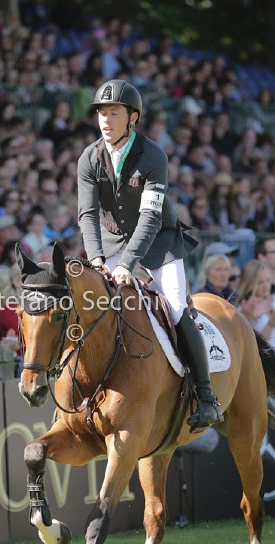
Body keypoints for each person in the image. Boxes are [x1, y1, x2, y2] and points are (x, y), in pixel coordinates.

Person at [77, 79, 223, 432]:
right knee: (95, 307)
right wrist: (96, 258)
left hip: (158, 242)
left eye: (114, 113)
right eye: (102, 113)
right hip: (110, 244)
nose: (106, 120)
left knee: (174, 305)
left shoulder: (153, 155)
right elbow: (87, 214)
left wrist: (128, 265)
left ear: (133, 117)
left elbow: (150, 217)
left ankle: (205, 396)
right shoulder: (89, 157)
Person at [237, 259, 275, 347]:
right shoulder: (243, 309)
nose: (265, 286)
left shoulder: (272, 301)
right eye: (260, 282)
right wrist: (271, 323)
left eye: (268, 281)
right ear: (250, 283)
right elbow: (256, 345)